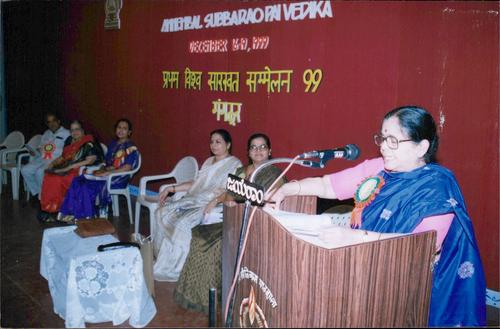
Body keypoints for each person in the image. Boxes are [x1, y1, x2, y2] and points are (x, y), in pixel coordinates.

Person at [269, 106, 486, 327]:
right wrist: (288, 189)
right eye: (382, 138)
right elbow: (327, 185)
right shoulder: (379, 169)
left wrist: (353, 238)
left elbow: (419, 248)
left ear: (421, 147)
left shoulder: (437, 188)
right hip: (367, 271)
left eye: (393, 140)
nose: (383, 147)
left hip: (418, 293)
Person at [174, 133, 286, 313]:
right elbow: (229, 192)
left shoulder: (274, 173)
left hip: (255, 224)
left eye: (262, 147)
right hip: (234, 220)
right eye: (253, 147)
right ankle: (195, 295)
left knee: (212, 245)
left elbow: (271, 200)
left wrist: (240, 201)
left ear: (270, 151)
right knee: (199, 235)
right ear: (248, 152)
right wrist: (225, 199)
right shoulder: (242, 170)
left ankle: (211, 298)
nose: (258, 151)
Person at [152, 129, 242, 282]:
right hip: (194, 199)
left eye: (218, 142)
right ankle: (165, 260)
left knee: (183, 223)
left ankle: (180, 267)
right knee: (162, 212)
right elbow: (197, 183)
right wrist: (172, 188)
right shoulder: (208, 161)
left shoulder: (234, 164)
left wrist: (215, 201)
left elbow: (231, 191)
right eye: (212, 141)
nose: (213, 145)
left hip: (213, 204)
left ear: (228, 144)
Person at [58, 118, 138, 222]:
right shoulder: (113, 144)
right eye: (119, 127)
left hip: (118, 178)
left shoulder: (131, 147)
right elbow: (107, 162)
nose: (121, 130)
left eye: (124, 128)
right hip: (106, 175)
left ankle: (87, 215)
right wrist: (101, 169)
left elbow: (127, 167)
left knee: (87, 185)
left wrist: (107, 173)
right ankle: (71, 213)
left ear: (129, 132)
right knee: (78, 180)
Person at [38, 120, 103, 221]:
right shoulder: (69, 140)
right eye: (72, 130)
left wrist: (69, 167)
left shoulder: (89, 142)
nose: (74, 132)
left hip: (81, 171)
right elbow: (63, 157)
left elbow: (90, 160)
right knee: (49, 176)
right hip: (68, 168)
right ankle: (50, 208)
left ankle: (60, 209)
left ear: (82, 130)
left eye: (77, 129)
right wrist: (52, 164)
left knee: (58, 179)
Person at [21, 112, 70, 199]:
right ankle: (37, 192)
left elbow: (68, 151)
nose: (52, 124)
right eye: (49, 122)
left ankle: (43, 196)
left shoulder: (66, 133)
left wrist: (59, 161)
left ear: (58, 121)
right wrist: (35, 152)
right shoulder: (46, 133)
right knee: (25, 170)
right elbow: (41, 147)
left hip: (56, 160)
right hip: (42, 158)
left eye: (53, 121)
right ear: (47, 124)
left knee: (40, 172)